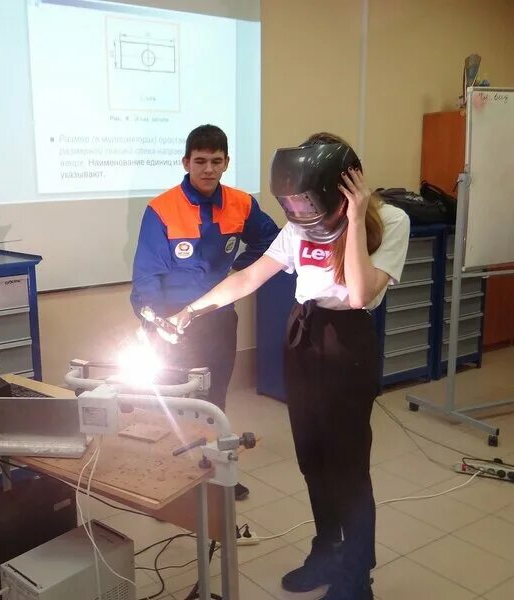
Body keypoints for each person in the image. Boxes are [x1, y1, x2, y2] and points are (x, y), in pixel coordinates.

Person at [168, 132, 410, 600]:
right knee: (311, 457)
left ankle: (357, 573)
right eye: (293, 204)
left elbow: (360, 294)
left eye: (307, 202)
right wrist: (190, 311)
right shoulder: (301, 222)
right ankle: (327, 550)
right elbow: (248, 276)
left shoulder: (392, 221)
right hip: (303, 334)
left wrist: (355, 218)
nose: (300, 213)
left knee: (348, 465)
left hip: (348, 340)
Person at [130, 124, 279, 501]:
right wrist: (152, 322)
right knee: (174, 403)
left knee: (216, 400)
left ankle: (217, 472)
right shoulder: (161, 209)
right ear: (186, 162)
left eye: (216, 161)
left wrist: (239, 269)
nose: (208, 169)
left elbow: (272, 242)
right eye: (200, 161)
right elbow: (146, 276)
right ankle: (170, 480)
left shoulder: (242, 203)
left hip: (219, 318)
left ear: (226, 162)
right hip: (173, 325)